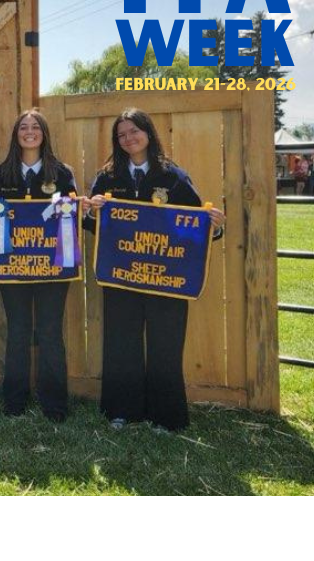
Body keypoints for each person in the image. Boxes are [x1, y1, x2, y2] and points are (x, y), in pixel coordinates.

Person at [86, 108, 225, 432]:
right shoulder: (107, 177)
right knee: (121, 343)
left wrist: (215, 227)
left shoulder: (173, 176)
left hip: (167, 279)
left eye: (133, 131)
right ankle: (123, 411)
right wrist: (92, 213)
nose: (128, 139)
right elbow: (93, 225)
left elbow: (195, 225)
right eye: (121, 135)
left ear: (148, 133)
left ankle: (166, 416)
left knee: (166, 345)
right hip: (122, 276)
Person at [0, 109, 76, 422]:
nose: (29, 131)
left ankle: (55, 404)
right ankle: (14, 401)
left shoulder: (62, 173)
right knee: (18, 331)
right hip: (13, 268)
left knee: (51, 332)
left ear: (44, 133)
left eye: (35, 126)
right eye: (23, 126)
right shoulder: (1, 174)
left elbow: (75, 214)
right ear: (16, 134)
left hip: (52, 268)